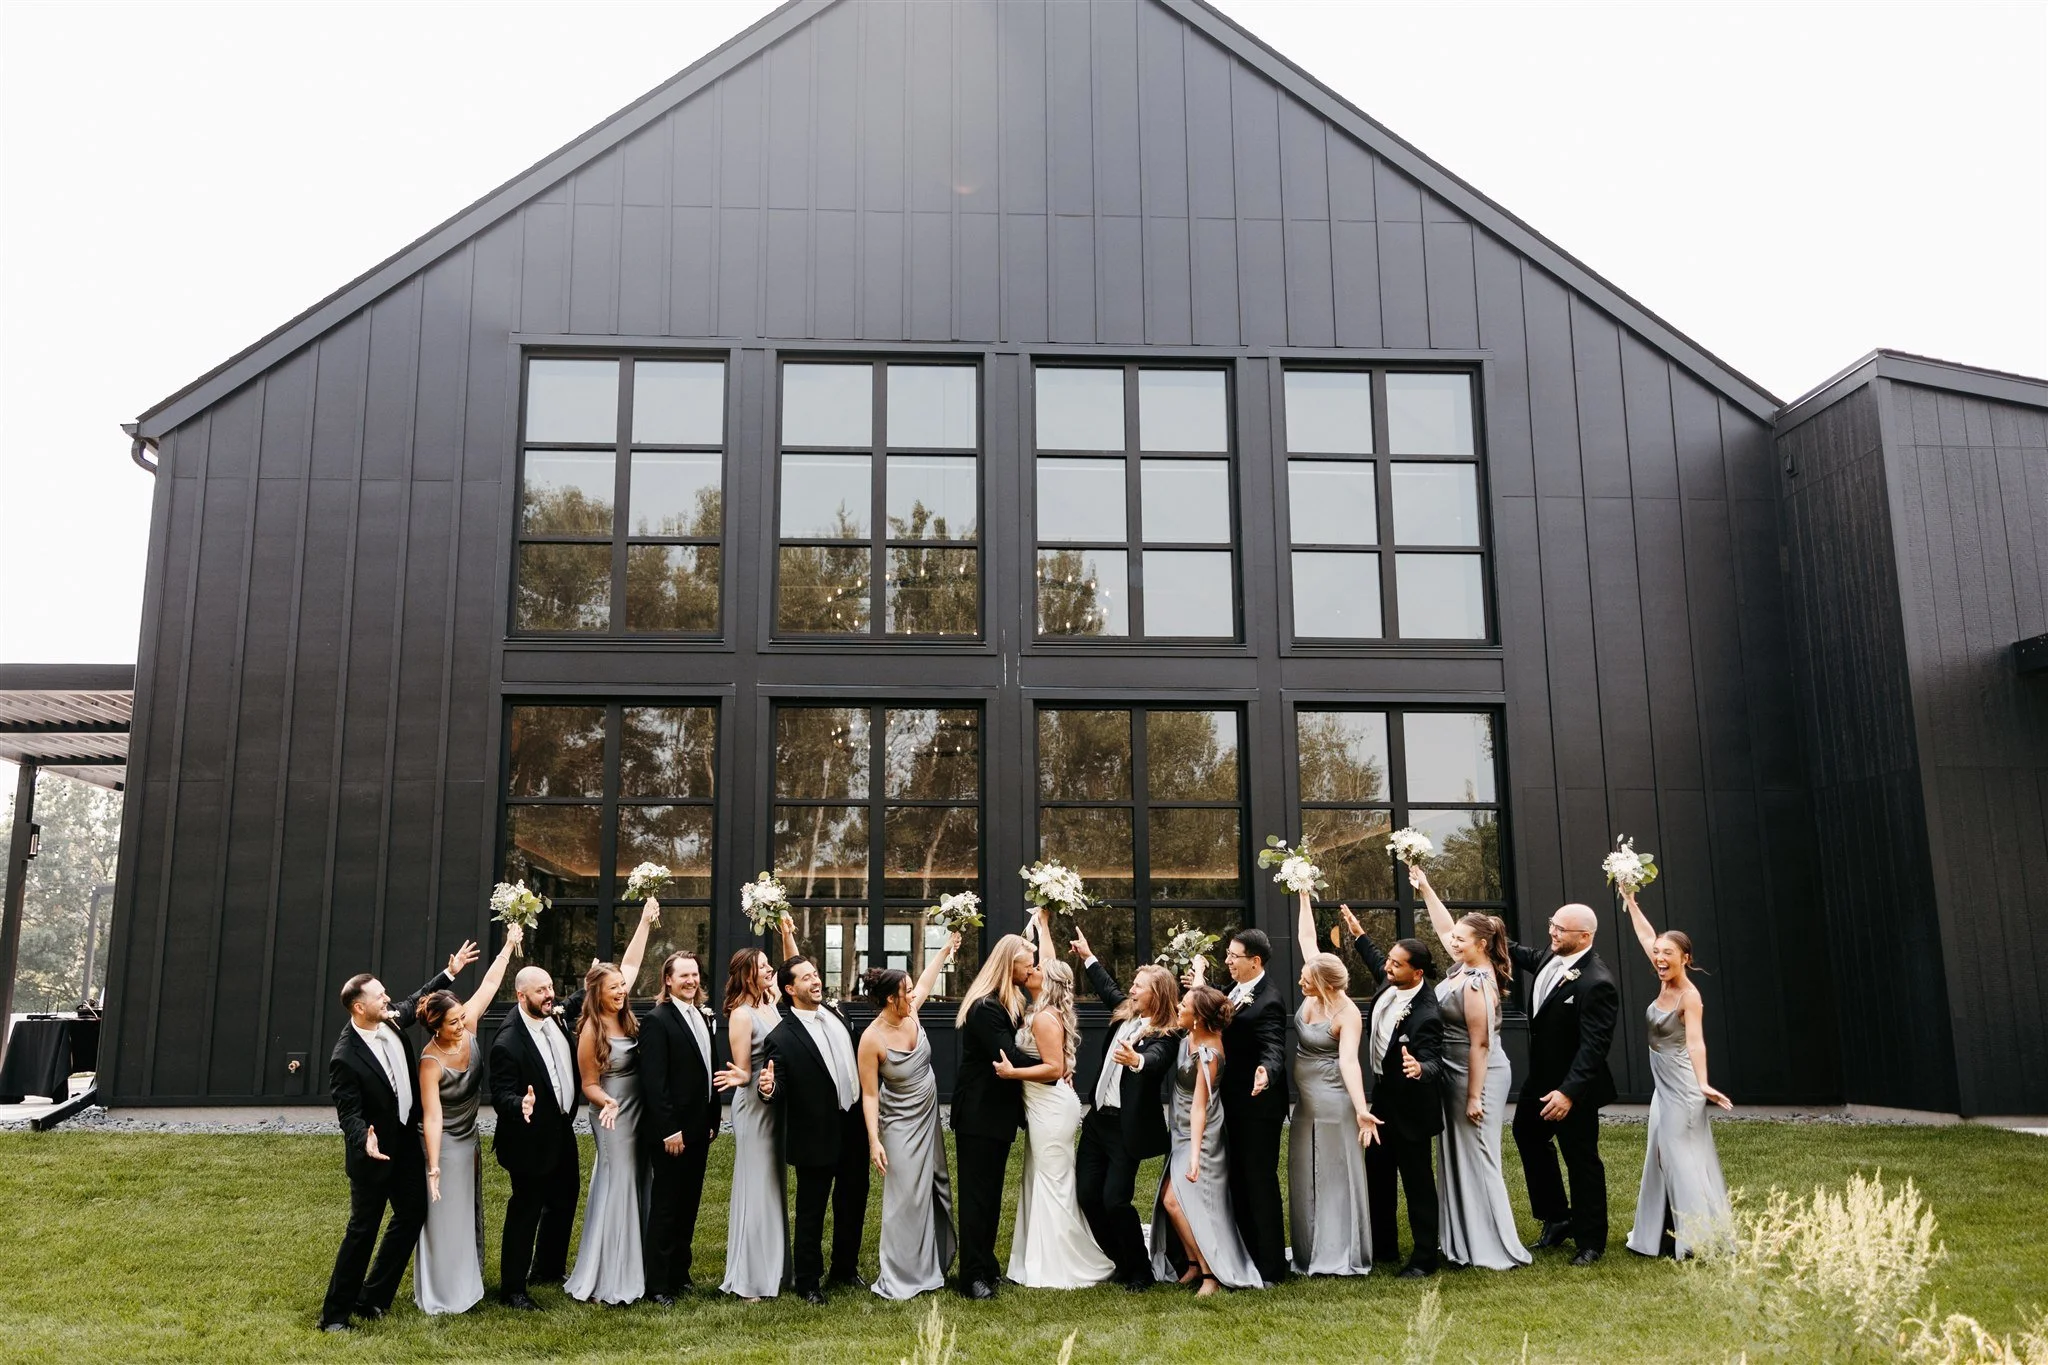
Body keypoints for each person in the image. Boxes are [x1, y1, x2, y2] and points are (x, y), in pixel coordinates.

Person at [318, 939, 478, 1332]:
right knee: (362, 1230)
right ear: (360, 1007)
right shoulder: (345, 1056)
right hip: (374, 1155)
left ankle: (374, 1298)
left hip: (406, 1143)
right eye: (379, 995)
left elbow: (414, 1000)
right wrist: (363, 1139)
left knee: (412, 1214)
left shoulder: (388, 1019)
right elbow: (349, 1112)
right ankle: (335, 1315)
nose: (387, 998)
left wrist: (450, 973)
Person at [1411, 866, 1529, 1270]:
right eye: (1455, 939)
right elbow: (1446, 926)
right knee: (1457, 1154)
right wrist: (1426, 887)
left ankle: (1493, 1243)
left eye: (1461, 939)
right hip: (1453, 1068)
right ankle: (1462, 1237)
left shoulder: (1478, 982)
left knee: (1480, 1154)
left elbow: (1481, 1041)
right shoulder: (1464, 964)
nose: (1452, 942)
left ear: (1480, 943)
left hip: (1477, 1072)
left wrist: (1475, 1095)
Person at [994, 908, 1116, 1289]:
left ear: (1046, 983)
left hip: (1050, 1105)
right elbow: (1047, 960)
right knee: (1041, 1177)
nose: (1030, 970)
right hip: (1044, 1106)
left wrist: (1014, 1073)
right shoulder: (1039, 1009)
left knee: (1052, 1180)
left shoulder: (1045, 1018)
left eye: (1035, 971)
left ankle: (1062, 1262)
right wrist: (1043, 924)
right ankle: (1035, 1258)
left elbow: (1052, 1067)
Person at [1501, 889, 1620, 1266]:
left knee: (1581, 1158)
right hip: (1539, 1081)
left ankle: (1591, 1241)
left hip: (1574, 1089)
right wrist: (1490, 933)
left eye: (1561, 929)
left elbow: (1593, 1047)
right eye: (1552, 924)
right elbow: (1524, 955)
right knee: (1527, 1135)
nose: (1552, 933)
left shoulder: (1596, 982)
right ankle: (1557, 1217)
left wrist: (1568, 1093)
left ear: (1584, 936)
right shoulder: (1553, 957)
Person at [414, 926, 523, 1315]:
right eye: (454, 1023)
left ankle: (469, 1282)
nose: (462, 1026)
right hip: (441, 1144)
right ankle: (444, 1292)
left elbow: (491, 985)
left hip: (470, 1136)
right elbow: (432, 1116)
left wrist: (509, 944)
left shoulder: (469, 1029)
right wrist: (432, 1167)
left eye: (462, 1018)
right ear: (436, 1028)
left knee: (467, 1212)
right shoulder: (430, 1062)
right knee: (444, 1216)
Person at [1619, 887, 1733, 1259]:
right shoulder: (1663, 978)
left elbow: (1696, 1043)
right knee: (1659, 1155)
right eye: (1658, 954)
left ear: (1685, 957)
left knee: (1679, 1157)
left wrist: (1702, 1084)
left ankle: (1698, 1240)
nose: (1659, 958)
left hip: (1683, 1086)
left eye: (1668, 953)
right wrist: (1631, 902)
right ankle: (1660, 1233)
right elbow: (1645, 936)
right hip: (1662, 1087)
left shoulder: (1689, 996)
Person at [1068, 924, 1180, 1291]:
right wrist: (1087, 956)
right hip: (1097, 1122)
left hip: (1125, 1129)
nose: (1131, 989)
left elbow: (1158, 1060)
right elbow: (1107, 987)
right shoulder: (1125, 1012)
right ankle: (1121, 1261)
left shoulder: (1167, 1032)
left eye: (1138, 986)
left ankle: (1141, 1270)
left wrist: (1137, 1061)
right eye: (1132, 985)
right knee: (1087, 1195)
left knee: (1115, 1200)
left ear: (1157, 994)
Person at [1337, 905, 1446, 1279]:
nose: (1389, 967)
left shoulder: (1427, 1014)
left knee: (1417, 1184)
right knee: (1378, 1176)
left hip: (1413, 1108)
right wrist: (1358, 933)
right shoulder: (1390, 981)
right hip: (1382, 1100)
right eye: (1392, 961)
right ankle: (1384, 1247)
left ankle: (1423, 1258)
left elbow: (1435, 1060)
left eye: (1398, 964)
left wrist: (1420, 1068)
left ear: (1417, 973)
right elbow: (1376, 958)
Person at [562, 898, 661, 1305]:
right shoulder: (590, 1029)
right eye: (613, 988)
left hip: (639, 1108)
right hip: (611, 1113)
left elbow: (632, 962)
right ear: (596, 993)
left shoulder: (623, 1009)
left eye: (622, 986)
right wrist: (606, 1102)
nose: (621, 991)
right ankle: (610, 1273)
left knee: (641, 1179)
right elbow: (588, 1083)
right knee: (617, 1182)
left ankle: (639, 1261)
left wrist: (644, 921)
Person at [757, 953, 870, 1304]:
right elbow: (777, 1088)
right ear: (790, 989)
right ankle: (808, 1280)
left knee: (853, 1199)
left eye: (816, 974)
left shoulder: (839, 1014)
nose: (816, 980)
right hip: (815, 1132)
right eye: (806, 978)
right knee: (812, 1208)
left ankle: (845, 1269)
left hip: (853, 1125)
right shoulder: (781, 1037)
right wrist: (768, 1089)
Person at [858, 932, 960, 1301]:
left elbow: (927, 980)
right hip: (898, 1125)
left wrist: (945, 950)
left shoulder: (911, 1011)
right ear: (890, 999)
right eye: (906, 992)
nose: (913, 995)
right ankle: (899, 1275)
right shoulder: (872, 1039)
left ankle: (930, 1266)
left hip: (927, 1120)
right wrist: (875, 1141)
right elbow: (870, 1095)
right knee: (904, 1200)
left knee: (934, 1189)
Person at [1149, 975, 1267, 1295]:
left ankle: (1210, 1273)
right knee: (1174, 1200)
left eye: (1184, 1005)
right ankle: (1191, 1264)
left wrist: (1196, 1156)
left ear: (1198, 1017)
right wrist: (1198, 974)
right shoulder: (1191, 1033)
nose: (1178, 1006)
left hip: (1199, 1134)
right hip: (1181, 1129)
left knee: (1174, 1200)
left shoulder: (1209, 1054)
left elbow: (1200, 1106)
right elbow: (1201, 998)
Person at [1288, 890, 1382, 1277]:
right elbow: (1306, 939)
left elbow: (1349, 1063)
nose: (1300, 981)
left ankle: (1338, 1252)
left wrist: (1361, 1110)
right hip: (1305, 1105)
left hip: (1333, 1102)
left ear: (1324, 984)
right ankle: (1308, 1249)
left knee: (1332, 1173)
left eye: (1306, 980)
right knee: (1303, 1171)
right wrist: (1305, 896)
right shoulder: (1317, 974)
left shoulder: (1347, 1015)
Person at [949, 931, 1037, 1299]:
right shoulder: (985, 1008)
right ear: (1008, 965)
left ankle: (986, 1264)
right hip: (979, 1114)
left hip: (996, 1114)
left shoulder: (1009, 1001)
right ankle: (971, 1276)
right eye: (1026, 965)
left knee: (991, 1193)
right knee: (976, 1197)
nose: (1031, 970)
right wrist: (1049, 1065)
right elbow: (1008, 1056)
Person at [714, 928, 793, 1301]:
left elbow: (793, 968)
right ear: (748, 973)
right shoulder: (742, 1015)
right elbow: (743, 1068)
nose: (769, 970)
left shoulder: (770, 1004)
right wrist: (740, 1075)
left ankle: (776, 1270)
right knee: (755, 1185)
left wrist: (788, 932)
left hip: (774, 1102)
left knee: (773, 1184)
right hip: (752, 1104)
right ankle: (749, 1279)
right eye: (763, 966)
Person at [638, 948, 721, 1303]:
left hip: (700, 1127)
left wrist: (713, 1118)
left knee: (689, 1203)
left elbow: (708, 1068)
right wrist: (669, 1129)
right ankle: (657, 1285)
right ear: (667, 980)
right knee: (667, 1205)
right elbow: (653, 1082)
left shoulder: (702, 1016)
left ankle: (679, 1273)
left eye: (695, 974)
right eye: (683, 975)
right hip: (672, 1132)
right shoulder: (657, 1020)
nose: (691, 980)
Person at [1217, 925, 1290, 1285]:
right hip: (1234, 1102)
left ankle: (1272, 1266)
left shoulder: (1270, 999)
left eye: (1235, 956)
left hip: (1259, 1107)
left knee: (1259, 1182)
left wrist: (1267, 1072)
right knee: (1240, 1182)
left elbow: (1274, 1047)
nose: (1228, 960)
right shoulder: (1237, 989)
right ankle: (1246, 1255)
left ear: (1255, 961)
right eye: (1228, 954)